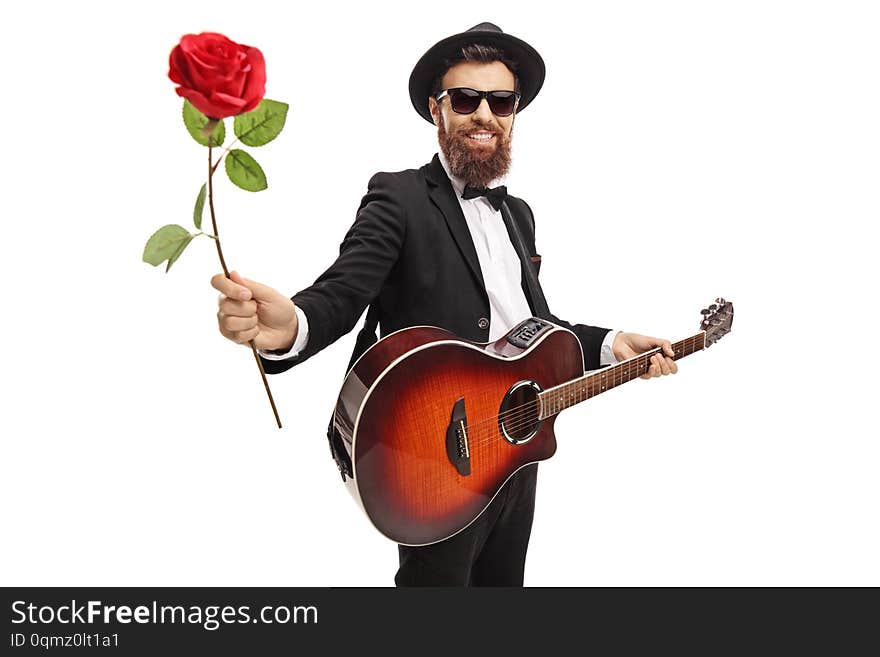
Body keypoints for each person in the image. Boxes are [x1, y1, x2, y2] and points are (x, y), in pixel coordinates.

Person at [211, 22, 678, 586]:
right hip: (434, 454)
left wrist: (610, 344)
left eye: (501, 102)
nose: (485, 114)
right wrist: (293, 325)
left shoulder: (519, 216)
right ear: (438, 111)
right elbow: (344, 290)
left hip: (515, 442)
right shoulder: (399, 195)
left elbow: (531, 329)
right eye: (466, 99)